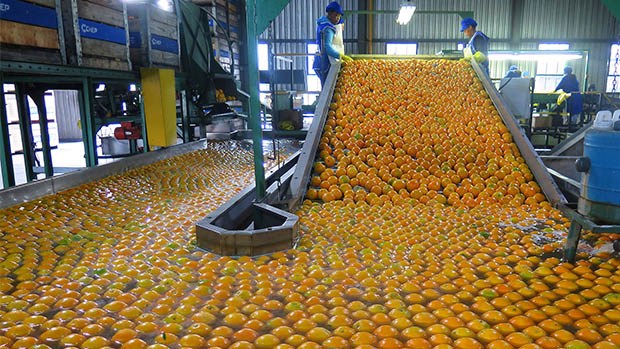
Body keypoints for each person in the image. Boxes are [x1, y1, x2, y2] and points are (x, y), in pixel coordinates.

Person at [313, 1, 352, 86]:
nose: (338, 18)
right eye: (336, 15)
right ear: (330, 14)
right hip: (325, 63)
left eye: (339, 16)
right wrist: (341, 56)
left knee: (326, 87)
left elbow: (339, 21)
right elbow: (327, 48)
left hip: (320, 61)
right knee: (327, 88)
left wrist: (340, 22)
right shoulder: (328, 29)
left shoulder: (325, 21)